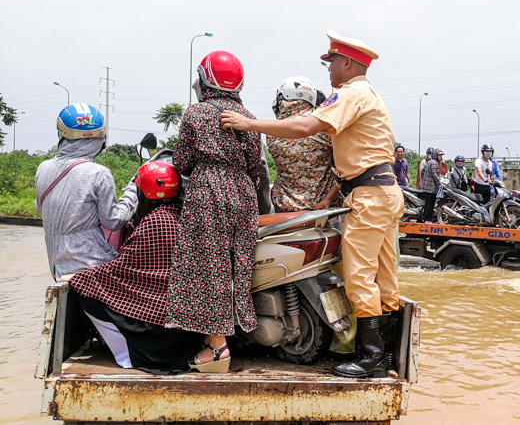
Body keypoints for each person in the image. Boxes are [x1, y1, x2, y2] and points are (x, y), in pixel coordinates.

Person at [221, 30, 404, 378]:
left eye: (331, 61)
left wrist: (249, 124)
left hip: (367, 195)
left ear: (347, 63)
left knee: (359, 275)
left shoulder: (349, 94)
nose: (329, 69)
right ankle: (386, 355)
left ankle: (370, 357)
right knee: (384, 275)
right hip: (383, 191)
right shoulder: (369, 94)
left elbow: (305, 127)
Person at [165, 50, 262, 373]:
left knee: (210, 265)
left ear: (205, 79)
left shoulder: (195, 114)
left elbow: (182, 161)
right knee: (238, 264)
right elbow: (254, 165)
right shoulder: (248, 116)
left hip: (208, 189)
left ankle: (216, 346)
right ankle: (226, 336)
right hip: (243, 193)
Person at [65, 161, 198, 374]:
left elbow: (119, 272)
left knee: (89, 298)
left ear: (141, 193)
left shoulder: (154, 222)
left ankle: (129, 357)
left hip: (157, 327)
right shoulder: (185, 217)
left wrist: (77, 277)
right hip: (185, 327)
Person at [34, 103, 137, 282]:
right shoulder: (98, 173)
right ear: (100, 138)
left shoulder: (43, 168)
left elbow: (40, 209)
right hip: (95, 267)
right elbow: (113, 221)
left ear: (62, 134)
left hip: (57, 266)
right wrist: (132, 192)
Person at [268, 75, 341, 212]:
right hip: (323, 210)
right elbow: (345, 170)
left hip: (284, 210)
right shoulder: (323, 125)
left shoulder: (272, 131)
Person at [419, 147, 441, 222]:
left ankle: (426, 219)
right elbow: (435, 176)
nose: (440, 157)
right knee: (430, 205)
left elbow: (423, 172)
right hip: (431, 188)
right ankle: (427, 220)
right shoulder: (434, 163)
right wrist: (440, 184)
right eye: (439, 155)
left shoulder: (429, 162)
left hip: (426, 187)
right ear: (435, 155)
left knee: (427, 204)